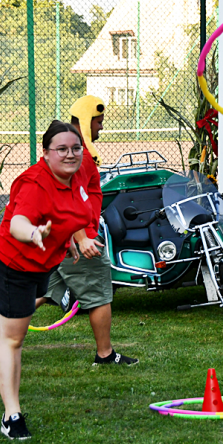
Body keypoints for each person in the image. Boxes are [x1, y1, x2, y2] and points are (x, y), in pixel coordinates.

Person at [0, 121, 91, 440]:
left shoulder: (78, 174)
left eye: (75, 148)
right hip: (15, 262)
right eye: (61, 149)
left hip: (44, 262)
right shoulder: (35, 183)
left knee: (19, 308)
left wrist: (71, 238)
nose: (70, 154)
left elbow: (75, 209)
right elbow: (18, 223)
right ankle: (11, 415)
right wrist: (35, 233)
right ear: (46, 153)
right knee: (13, 338)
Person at [35, 95, 137, 366]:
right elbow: (70, 199)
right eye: (98, 122)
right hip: (77, 239)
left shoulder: (77, 154)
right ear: (86, 120)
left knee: (40, 292)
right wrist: (82, 237)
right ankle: (104, 354)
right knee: (100, 294)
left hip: (63, 236)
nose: (100, 127)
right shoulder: (76, 155)